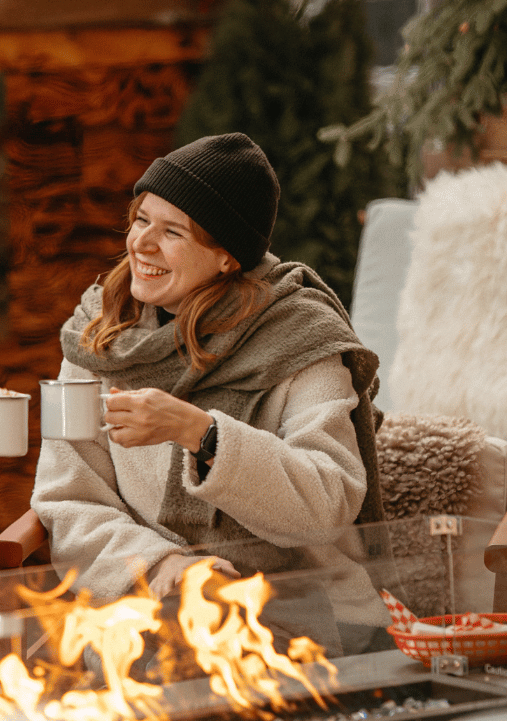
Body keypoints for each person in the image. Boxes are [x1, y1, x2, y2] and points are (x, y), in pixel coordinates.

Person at [30, 133, 391, 658]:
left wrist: (200, 433)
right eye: (140, 219)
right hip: (151, 614)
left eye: (172, 231)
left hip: (301, 614)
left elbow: (329, 502)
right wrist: (163, 565)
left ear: (226, 258)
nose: (142, 244)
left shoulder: (301, 340)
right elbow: (70, 499)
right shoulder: (100, 338)